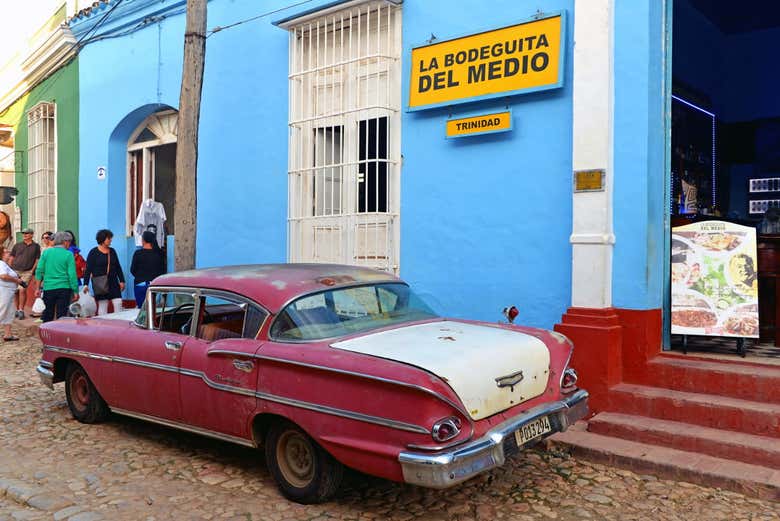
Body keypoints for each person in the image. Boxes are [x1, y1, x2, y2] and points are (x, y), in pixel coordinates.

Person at [34, 232, 79, 322]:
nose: (69, 244)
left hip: (48, 287)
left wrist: (37, 288)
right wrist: (75, 290)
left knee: (48, 313)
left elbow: (39, 271)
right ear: (65, 242)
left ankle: (47, 333)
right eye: (69, 242)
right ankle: (60, 334)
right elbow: (72, 275)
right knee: (61, 315)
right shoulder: (68, 254)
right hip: (64, 288)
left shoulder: (46, 253)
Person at [83, 229, 125, 315]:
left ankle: (119, 323)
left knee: (118, 303)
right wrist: (86, 284)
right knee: (103, 306)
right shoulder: (93, 252)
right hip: (100, 284)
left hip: (113, 282)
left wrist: (121, 281)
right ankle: (102, 325)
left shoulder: (112, 251)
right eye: (108, 238)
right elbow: (88, 269)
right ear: (102, 239)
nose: (110, 240)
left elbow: (118, 267)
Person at [10, 228, 40, 319]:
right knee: (15, 291)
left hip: (27, 272)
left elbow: (37, 260)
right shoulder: (17, 245)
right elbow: (11, 257)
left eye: (27, 233)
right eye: (24, 233)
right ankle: (17, 309)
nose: (25, 235)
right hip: (15, 270)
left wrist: (32, 270)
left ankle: (21, 310)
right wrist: (10, 268)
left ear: (31, 235)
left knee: (22, 290)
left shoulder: (36, 246)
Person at [130, 230, 165, 308]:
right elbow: (163, 271)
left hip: (140, 285)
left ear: (144, 241)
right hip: (155, 285)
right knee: (154, 309)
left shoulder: (138, 253)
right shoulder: (159, 254)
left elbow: (132, 270)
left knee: (141, 309)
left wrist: (140, 277)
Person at [0, 247, 22, 341]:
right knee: (2, 311)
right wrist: (16, 280)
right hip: (4, 290)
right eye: (6, 252)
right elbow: (3, 276)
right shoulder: (1, 264)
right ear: (2, 254)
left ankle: (8, 334)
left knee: (8, 312)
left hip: (8, 291)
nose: (9, 253)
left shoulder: (5, 264)